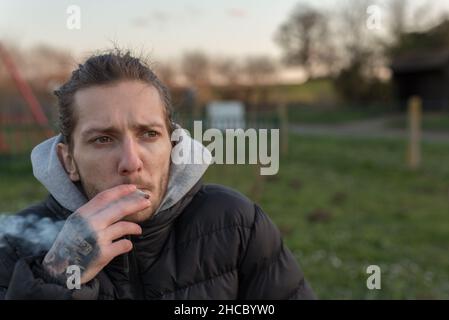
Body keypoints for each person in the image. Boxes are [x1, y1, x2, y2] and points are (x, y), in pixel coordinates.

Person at [0, 50, 315, 300]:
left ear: (173, 145)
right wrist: (55, 277)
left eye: (148, 134)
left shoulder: (237, 225)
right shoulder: (14, 249)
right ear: (68, 160)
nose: (131, 162)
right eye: (102, 139)